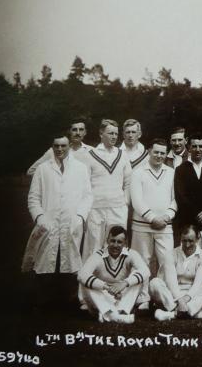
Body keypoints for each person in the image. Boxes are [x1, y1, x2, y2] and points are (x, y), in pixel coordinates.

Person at [23, 132, 93, 306]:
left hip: (72, 223)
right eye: (56, 146)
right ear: (52, 147)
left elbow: (87, 196)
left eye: (63, 145)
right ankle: (44, 302)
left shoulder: (80, 168)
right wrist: (40, 217)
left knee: (70, 261)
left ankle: (68, 302)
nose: (60, 149)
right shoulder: (43, 169)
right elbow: (33, 197)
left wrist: (80, 217)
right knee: (45, 261)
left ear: (69, 146)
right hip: (48, 223)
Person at [129, 139, 178, 309]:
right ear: (149, 151)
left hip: (165, 225)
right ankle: (142, 298)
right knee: (142, 261)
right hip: (141, 225)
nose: (159, 156)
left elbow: (175, 199)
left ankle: (163, 296)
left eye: (162, 153)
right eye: (156, 152)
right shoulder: (138, 172)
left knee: (167, 262)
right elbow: (136, 200)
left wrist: (166, 216)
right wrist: (152, 218)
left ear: (166, 154)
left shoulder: (172, 172)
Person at [82, 119, 132, 269]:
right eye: (110, 133)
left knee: (117, 245)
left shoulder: (122, 154)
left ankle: (115, 279)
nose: (114, 136)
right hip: (95, 209)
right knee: (94, 245)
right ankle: (89, 281)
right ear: (101, 133)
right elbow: (84, 185)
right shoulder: (90, 154)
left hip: (117, 208)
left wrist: (125, 203)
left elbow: (128, 182)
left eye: (116, 134)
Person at [77, 225, 149, 323]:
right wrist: (106, 287)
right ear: (107, 240)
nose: (115, 245)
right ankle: (110, 314)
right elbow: (82, 275)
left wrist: (124, 283)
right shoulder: (98, 255)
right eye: (112, 241)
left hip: (121, 296)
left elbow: (146, 271)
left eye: (119, 242)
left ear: (125, 243)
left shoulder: (131, 254)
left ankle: (120, 313)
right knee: (85, 281)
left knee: (138, 276)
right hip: (102, 297)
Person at [149, 224, 202, 321]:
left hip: (193, 296)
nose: (187, 245)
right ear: (181, 239)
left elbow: (198, 285)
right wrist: (180, 300)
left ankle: (172, 314)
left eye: (191, 241)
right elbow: (171, 283)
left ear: (197, 238)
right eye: (184, 241)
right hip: (172, 295)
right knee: (154, 283)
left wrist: (185, 300)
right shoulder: (171, 254)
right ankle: (191, 312)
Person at [27, 118, 91, 175]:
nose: (78, 133)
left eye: (81, 130)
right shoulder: (55, 150)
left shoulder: (91, 151)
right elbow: (31, 171)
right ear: (69, 131)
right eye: (74, 130)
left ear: (85, 132)